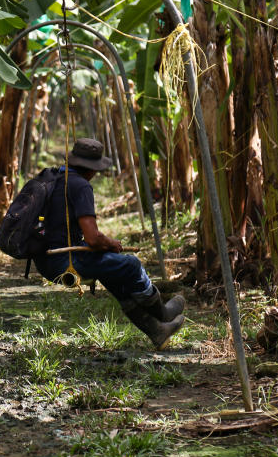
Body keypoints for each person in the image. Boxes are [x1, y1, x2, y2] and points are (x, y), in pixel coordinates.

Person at [34, 138, 185, 350]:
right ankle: (163, 312)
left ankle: (157, 331)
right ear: (91, 168)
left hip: (44, 261)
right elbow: (93, 238)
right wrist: (111, 243)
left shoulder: (55, 178)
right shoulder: (80, 186)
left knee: (114, 274)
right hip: (65, 262)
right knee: (131, 265)